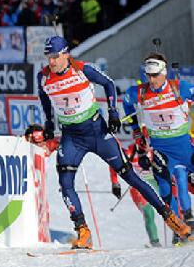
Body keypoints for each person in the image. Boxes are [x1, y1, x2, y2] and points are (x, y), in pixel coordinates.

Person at [26, 37, 190, 248]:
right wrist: (49, 121)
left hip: (97, 131)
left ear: (66, 54)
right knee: (65, 183)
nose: (52, 61)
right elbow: (44, 97)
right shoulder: (43, 77)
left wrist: (113, 113)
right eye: (49, 57)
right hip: (72, 137)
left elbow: (108, 84)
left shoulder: (82, 69)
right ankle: (82, 231)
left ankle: (170, 217)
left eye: (56, 56)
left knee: (129, 175)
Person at [122, 53, 194, 236]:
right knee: (164, 188)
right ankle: (180, 228)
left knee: (185, 180)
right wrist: (136, 130)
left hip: (184, 146)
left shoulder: (180, 88)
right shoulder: (140, 92)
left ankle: (189, 219)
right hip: (161, 148)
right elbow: (127, 102)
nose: (151, 80)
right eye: (148, 75)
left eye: (155, 75)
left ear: (164, 72)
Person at [108, 143, 161, 247]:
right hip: (138, 185)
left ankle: (180, 234)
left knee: (170, 204)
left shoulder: (154, 147)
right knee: (148, 212)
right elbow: (114, 164)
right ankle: (155, 241)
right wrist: (115, 183)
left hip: (154, 181)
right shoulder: (129, 151)